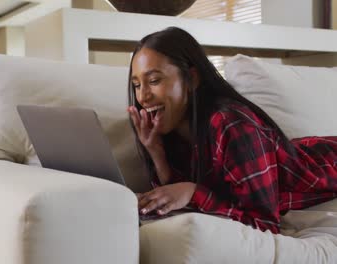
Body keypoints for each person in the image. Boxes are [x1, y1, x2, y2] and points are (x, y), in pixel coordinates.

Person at [127, 27, 337, 234]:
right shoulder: (177, 134)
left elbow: (264, 223)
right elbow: (176, 198)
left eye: (154, 81)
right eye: (136, 85)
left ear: (192, 78)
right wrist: (157, 153)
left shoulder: (232, 124)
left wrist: (193, 193)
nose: (143, 97)